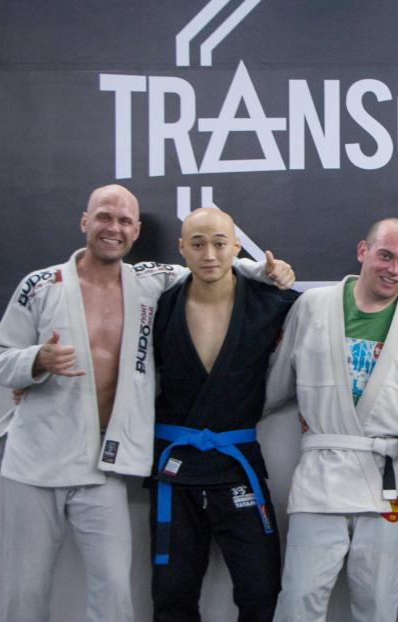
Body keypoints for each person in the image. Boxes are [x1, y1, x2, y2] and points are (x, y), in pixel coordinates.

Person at [0, 185, 292, 622]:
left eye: (124, 221)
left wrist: (263, 272)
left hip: (106, 463)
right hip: (39, 456)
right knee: (26, 588)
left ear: (137, 230)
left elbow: (212, 266)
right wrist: (36, 360)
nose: (114, 228)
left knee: (113, 592)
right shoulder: (40, 285)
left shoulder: (149, 281)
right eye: (104, 217)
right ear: (84, 221)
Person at [264, 218, 398, 622]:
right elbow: (274, 385)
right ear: (362, 251)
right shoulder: (312, 307)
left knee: (378, 606)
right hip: (322, 472)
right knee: (298, 601)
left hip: (389, 478)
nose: (394, 269)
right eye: (385, 256)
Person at [148, 207, 300, 621]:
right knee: (171, 596)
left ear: (236, 246)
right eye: (197, 244)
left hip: (237, 468)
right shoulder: (157, 307)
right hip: (174, 470)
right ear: (182, 249)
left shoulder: (271, 302)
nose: (209, 254)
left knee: (261, 591)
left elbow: (339, 318)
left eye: (219, 243)